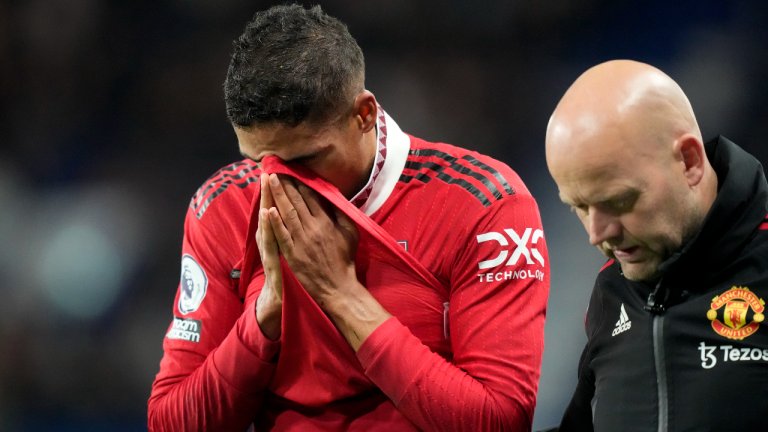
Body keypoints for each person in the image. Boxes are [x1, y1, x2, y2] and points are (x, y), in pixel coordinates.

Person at [148, 5, 550, 431]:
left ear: (364, 114)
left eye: (304, 159)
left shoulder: (483, 203)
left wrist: (340, 294)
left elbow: (501, 421)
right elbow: (170, 423)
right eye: (258, 161)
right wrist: (263, 319)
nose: (276, 183)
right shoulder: (224, 205)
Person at [543, 59, 768, 431]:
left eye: (619, 201)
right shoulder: (611, 291)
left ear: (689, 161)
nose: (597, 234)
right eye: (579, 207)